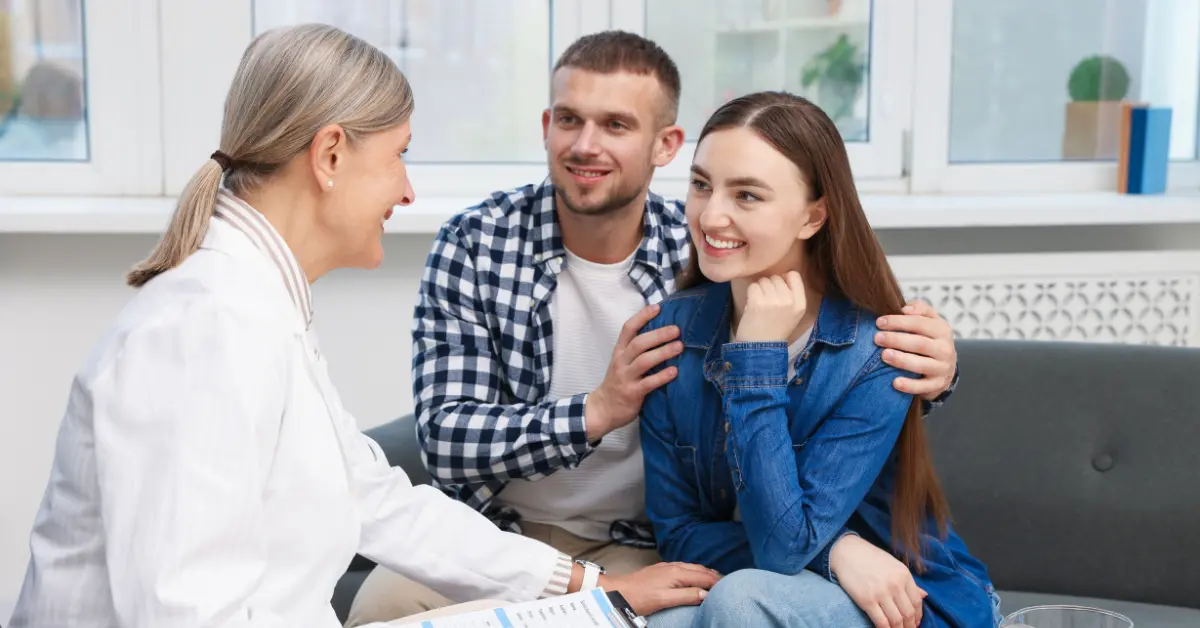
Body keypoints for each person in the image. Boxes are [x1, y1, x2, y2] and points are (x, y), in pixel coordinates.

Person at [8, 24, 718, 628]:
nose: (408, 189)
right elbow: (190, 612)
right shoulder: (205, 331)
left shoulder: (258, 311)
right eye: (399, 154)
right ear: (331, 156)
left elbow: (375, 500)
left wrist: (591, 589)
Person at [348, 31, 961, 626]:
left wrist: (937, 374)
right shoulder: (479, 243)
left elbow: (832, 361)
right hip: (497, 528)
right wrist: (597, 409)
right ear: (545, 125)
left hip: (637, 543)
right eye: (568, 119)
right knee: (378, 609)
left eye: (616, 125)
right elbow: (445, 439)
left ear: (665, 144)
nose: (586, 145)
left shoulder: (701, 251)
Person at [639, 91, 1002, 628]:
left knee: (741, 603)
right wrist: (838, 551)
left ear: (813, 216)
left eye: (747, 196)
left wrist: (755, 362)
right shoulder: (670, 335)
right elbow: (680, 532)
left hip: (898, 599)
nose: (710, 214)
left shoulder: (880, 353)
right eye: (701, 185)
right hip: (780, 579)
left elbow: (785, 548)